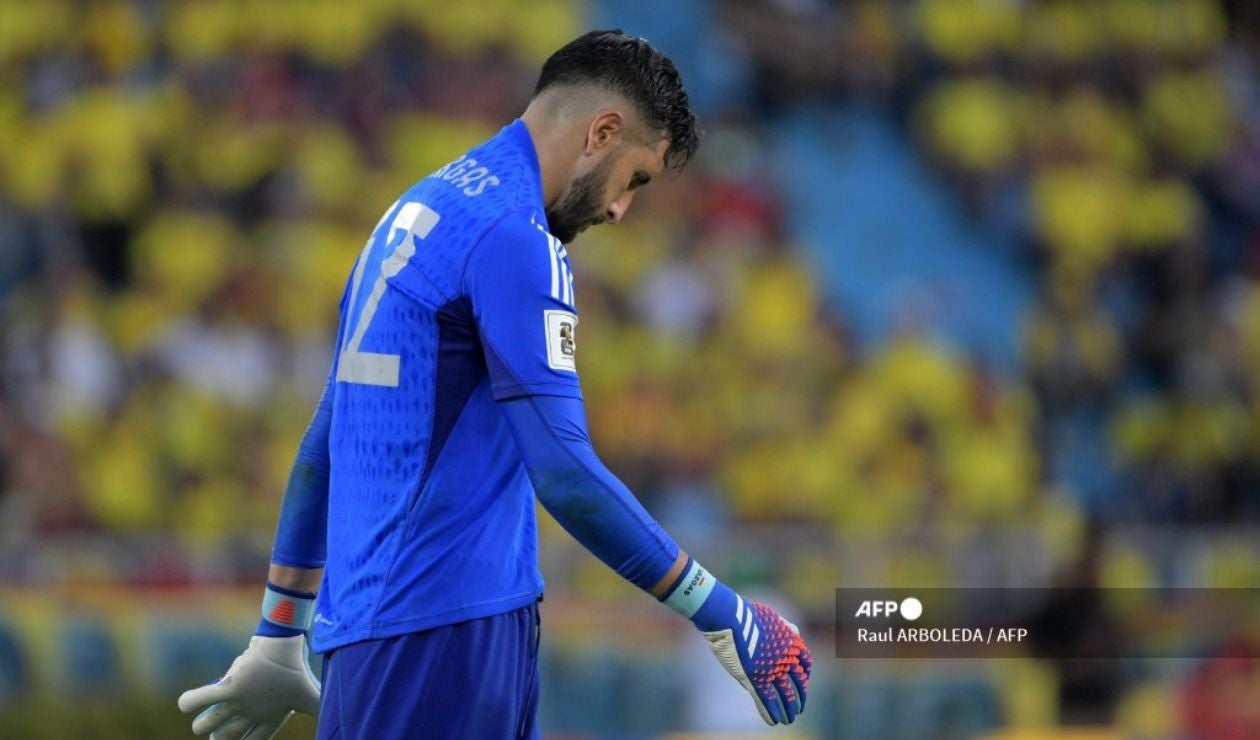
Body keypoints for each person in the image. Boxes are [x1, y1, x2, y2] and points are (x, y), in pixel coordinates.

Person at [177, 30, 811, 740]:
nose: (619, 211)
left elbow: (329, 441)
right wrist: (720, 608)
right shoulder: (515, 236)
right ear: (603, 131)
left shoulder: (414, 212)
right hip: (446, 634)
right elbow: (565, 473)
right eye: (634, 180)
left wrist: (278, 628)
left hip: (381, 637)